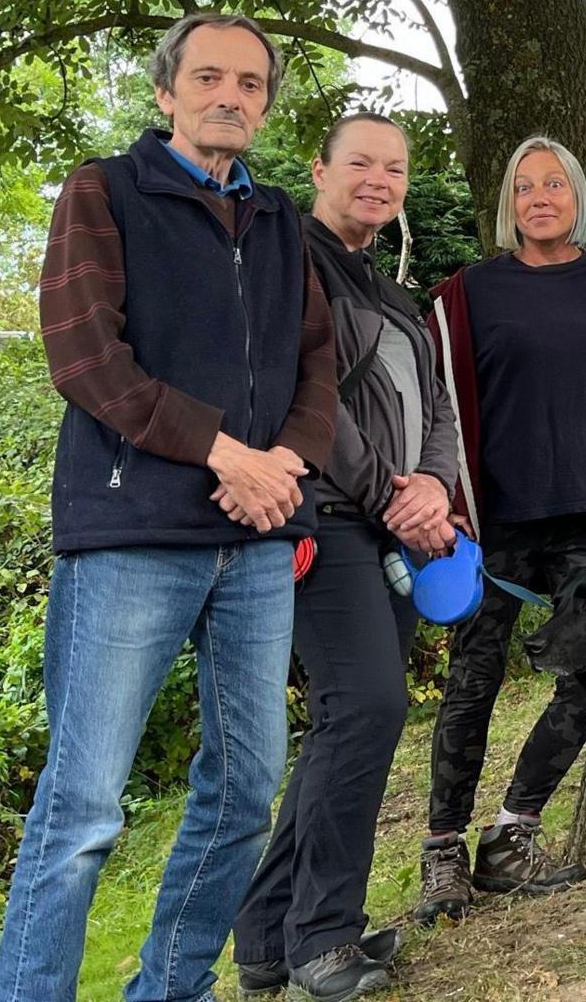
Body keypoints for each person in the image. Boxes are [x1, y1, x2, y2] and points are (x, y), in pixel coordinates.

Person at [0, 13, 337, 1002]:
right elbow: (85, 356)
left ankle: (171, 988)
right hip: (131, 537)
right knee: (85, 805)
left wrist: (281, 462)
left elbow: (319, 363)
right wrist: (224, 449)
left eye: (251, 83)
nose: (231, 95)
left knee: (242, 794)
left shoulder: (280, 220)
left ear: (266, 103)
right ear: (166, 93)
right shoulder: (103, 192)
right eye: (209, 78)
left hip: (258, 541)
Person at [230, 113, 457, 999]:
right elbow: (307, 397)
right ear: (319, 169)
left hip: (393, 523)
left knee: (347, 720)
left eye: (394, 168)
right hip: (326, 518)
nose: (379, 179)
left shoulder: (394, 290)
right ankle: (323, 938)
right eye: (359, 162)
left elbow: (435, 403)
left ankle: (264, 937)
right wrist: (392, 499)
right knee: (366, 707)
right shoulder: (291, 263)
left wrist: (434, 487)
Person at [415, 135, 586, 923]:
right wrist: (443, 495)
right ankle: (443, 849)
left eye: (554, 183)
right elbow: (436, 402)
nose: (540, 198)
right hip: (493, 522)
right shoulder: (468, 293)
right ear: (508, 204)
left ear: (578, 197)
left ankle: (512, 831)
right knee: (473, 681)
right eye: (524, 187)